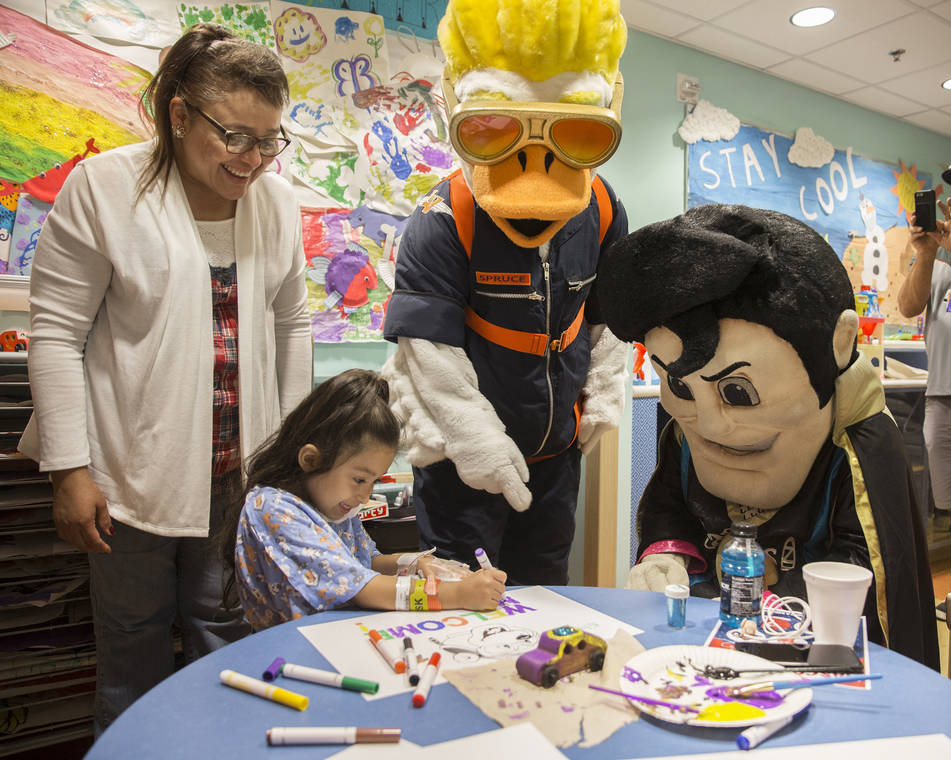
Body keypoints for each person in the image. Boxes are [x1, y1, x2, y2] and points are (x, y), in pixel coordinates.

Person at [17, 23, 312, 732]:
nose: (253, 160)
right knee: (132, 655)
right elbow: (56, 331)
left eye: (270, 140)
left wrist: (295, 461)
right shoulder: (105, 187)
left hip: (240, 480)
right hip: (128, 477)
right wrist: (68, 470)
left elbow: (290, 324)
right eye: (235, 136)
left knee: (230, 647)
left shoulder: (274, 204)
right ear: (179, 116)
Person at [594, 204, 939, 669]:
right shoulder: (684, 429)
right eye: (679, 386)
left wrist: (770, 602)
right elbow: (670, 506)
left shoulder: (859, 443)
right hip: (706, 636)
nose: (711, 424)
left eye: (738, 391)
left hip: (805, 645)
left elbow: (867, 568)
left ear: (837, 346)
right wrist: (668, 557)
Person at [381, 0, 630, 585]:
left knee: (546, 586)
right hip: (461, 468)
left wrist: (602, 401)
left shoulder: (602, 207)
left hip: (555, 458)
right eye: (495, 128)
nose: (537, 166)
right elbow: (428, 352)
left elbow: (611, 315)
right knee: (462, 590)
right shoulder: (442, 219)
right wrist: (477, 442)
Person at [229, 370, 507, 630]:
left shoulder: (333, 505)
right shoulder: (273, 509)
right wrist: (457, 593)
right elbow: (362, 585)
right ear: (311, 459)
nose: (365, 496)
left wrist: (414, 564)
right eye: (360, 480)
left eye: (375, 481)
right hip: (298, 648)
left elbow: (366, 561)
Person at [899, 160, 951, 542]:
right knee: (948, 506)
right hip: (941, 397)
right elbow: (907, 306)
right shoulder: (937, 266)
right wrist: (926, 252)